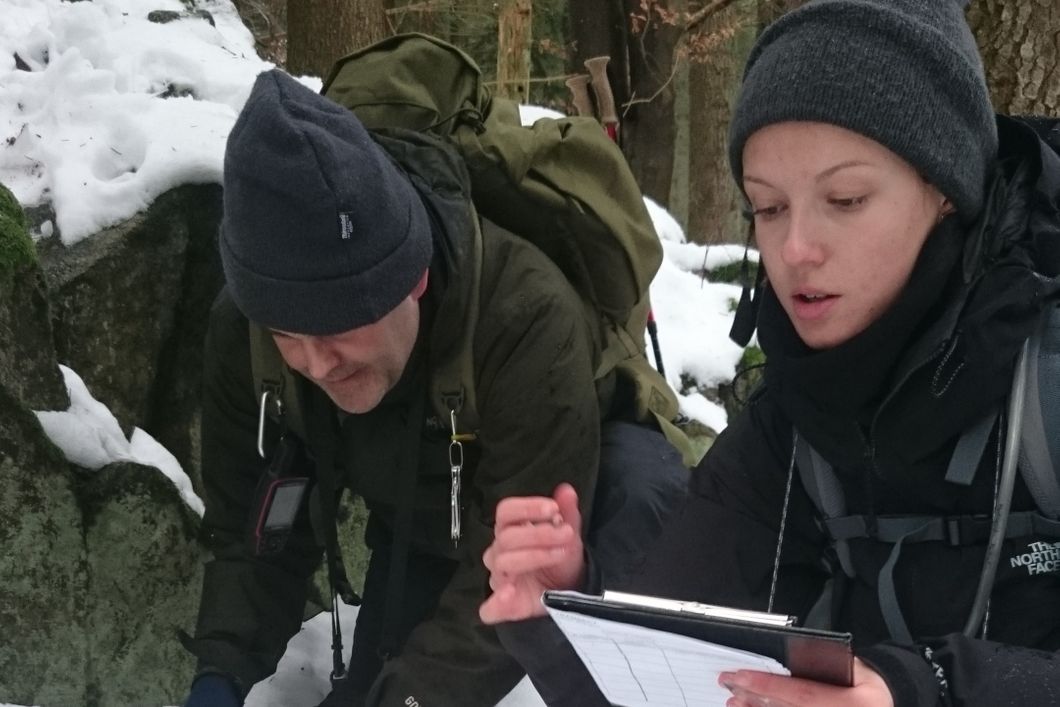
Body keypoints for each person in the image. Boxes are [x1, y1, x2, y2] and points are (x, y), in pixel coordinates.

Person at [478, 1, 1060, 705]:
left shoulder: (1047, 379)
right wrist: (562, 616)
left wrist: (922, 690)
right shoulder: (789, 417)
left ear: (947, 191)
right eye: (769, 206)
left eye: (844, 199)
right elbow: (665, 678)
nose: (795, 251)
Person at [180, 70, 688, 706]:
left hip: (569, 526)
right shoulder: (243, 330)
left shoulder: (524, 314)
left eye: (340, 326)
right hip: (423, 519)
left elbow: (513, 580)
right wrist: (218, 678)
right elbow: (252, 535)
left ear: (413, 279)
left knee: (641, 505)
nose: (316, 363)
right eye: (286, 333)